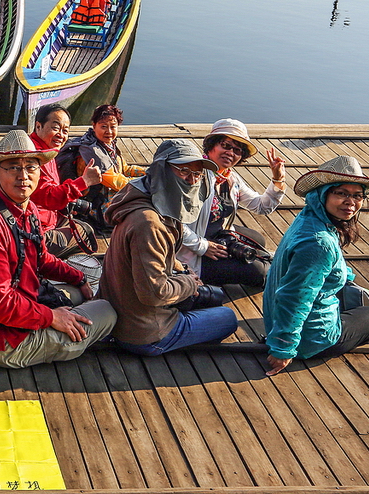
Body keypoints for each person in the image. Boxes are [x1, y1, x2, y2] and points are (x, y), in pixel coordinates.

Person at [0, 131, 117, 369]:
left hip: (26, 302)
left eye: (31, 167)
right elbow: (1, 304)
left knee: (82, 293)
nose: (23, 176)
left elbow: (41, 259)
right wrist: (52, 317)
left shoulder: (29, 208)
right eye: (13, 167)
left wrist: (79, 279)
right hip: (6, 341)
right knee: (107, 310)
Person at [98, 139, 239, 356]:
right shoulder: (148, 223)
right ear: (162, 170)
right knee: (228, 318)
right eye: (183, 171)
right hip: (142, 332)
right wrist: (189, 283)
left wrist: (181, 268)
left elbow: (158, 254)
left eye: (197, 175)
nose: (192, 181)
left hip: (120, 308)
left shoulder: (149, 198)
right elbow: (154, 294)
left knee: (215, 296)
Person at [263, 156, 369, 376]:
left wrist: (344, 276)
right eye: (341, 193)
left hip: (276, 323)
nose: (351, 202)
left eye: (357, 195)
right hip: (311, 340)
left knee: (349, 289)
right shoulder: (319, 242)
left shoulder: (308, 218)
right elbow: (294, 297)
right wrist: (284, 348)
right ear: (322, 194)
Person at [180, 119, 288, 288]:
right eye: (226, 145)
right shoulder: (194, 176)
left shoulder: (230, 178)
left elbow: (261, 206)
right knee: (259, 272)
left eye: (237, 150)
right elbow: (172, 223)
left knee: (258, 240)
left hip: (220, 236)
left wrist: (277, 178)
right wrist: (204, 247)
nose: (231, 153)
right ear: (211, 146)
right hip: (193, 249)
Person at [56, 104, 145, 234]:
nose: (109, 131)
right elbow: (118, 183)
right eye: (103, 126)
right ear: (94, 125)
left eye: (113, 127)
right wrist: (147, 182)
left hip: (110, 196)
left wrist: (149, 172)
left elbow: (125, 168)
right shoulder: (91, 152)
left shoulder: (108, 146)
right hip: (97, 207)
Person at [30, 103, 102, 231]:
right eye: (55, 128)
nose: (61, 135)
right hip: (37, 229)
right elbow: (48, 197)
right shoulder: (33, 156)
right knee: (85, 232)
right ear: (38, 126)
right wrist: (84, 181)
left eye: (65, 131)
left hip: (47, 217)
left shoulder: (47, 151)